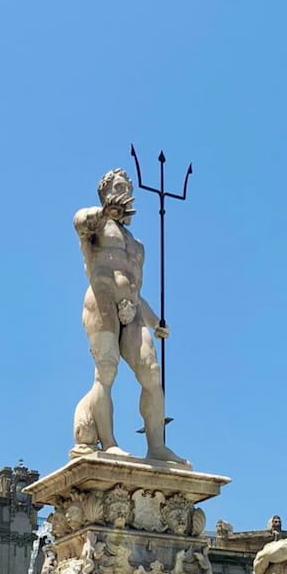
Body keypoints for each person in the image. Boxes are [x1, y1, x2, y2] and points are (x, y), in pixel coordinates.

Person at [72, 168, 185, 465]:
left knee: (152, 373)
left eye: (128, 187)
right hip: (102, 301)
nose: (126, 192)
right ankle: (108, 443)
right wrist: (103, 211)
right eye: (120, 186)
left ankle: (157, 446)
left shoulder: (138, 246)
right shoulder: (95, 225)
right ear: (106, 192)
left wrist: (154, 320)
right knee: (106, 372)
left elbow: (136, 290)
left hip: (132, 311)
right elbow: (81, 222)